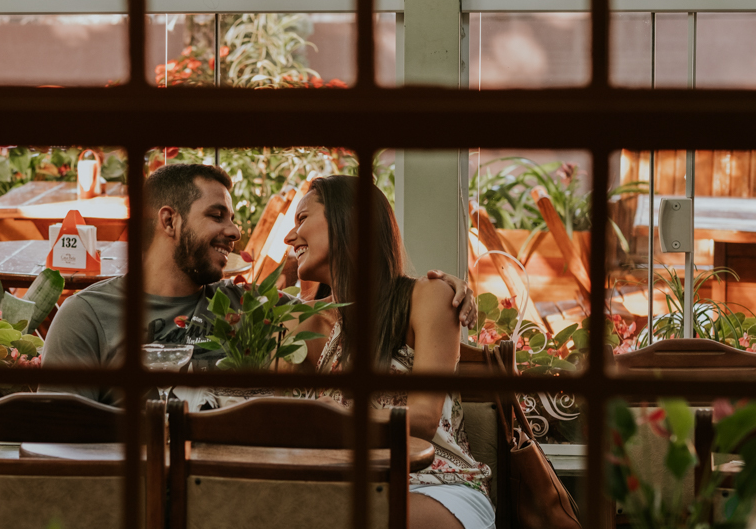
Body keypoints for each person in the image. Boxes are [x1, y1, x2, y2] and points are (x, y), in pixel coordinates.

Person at [42, 163, 477, 407]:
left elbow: (354, 313)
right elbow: (58, 434)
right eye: (217, 216)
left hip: (232, 488)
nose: (234, 231)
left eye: (233, 218)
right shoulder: (87, 315)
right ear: (169, 220)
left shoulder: (250, 309)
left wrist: (443, 290)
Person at [283, 174, 494, 529]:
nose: (290, 236)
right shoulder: (305, 325)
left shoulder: (426, 296)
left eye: (302, 218)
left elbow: (423, 417)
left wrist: (319, 418)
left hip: (437, 489)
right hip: (347, 490)